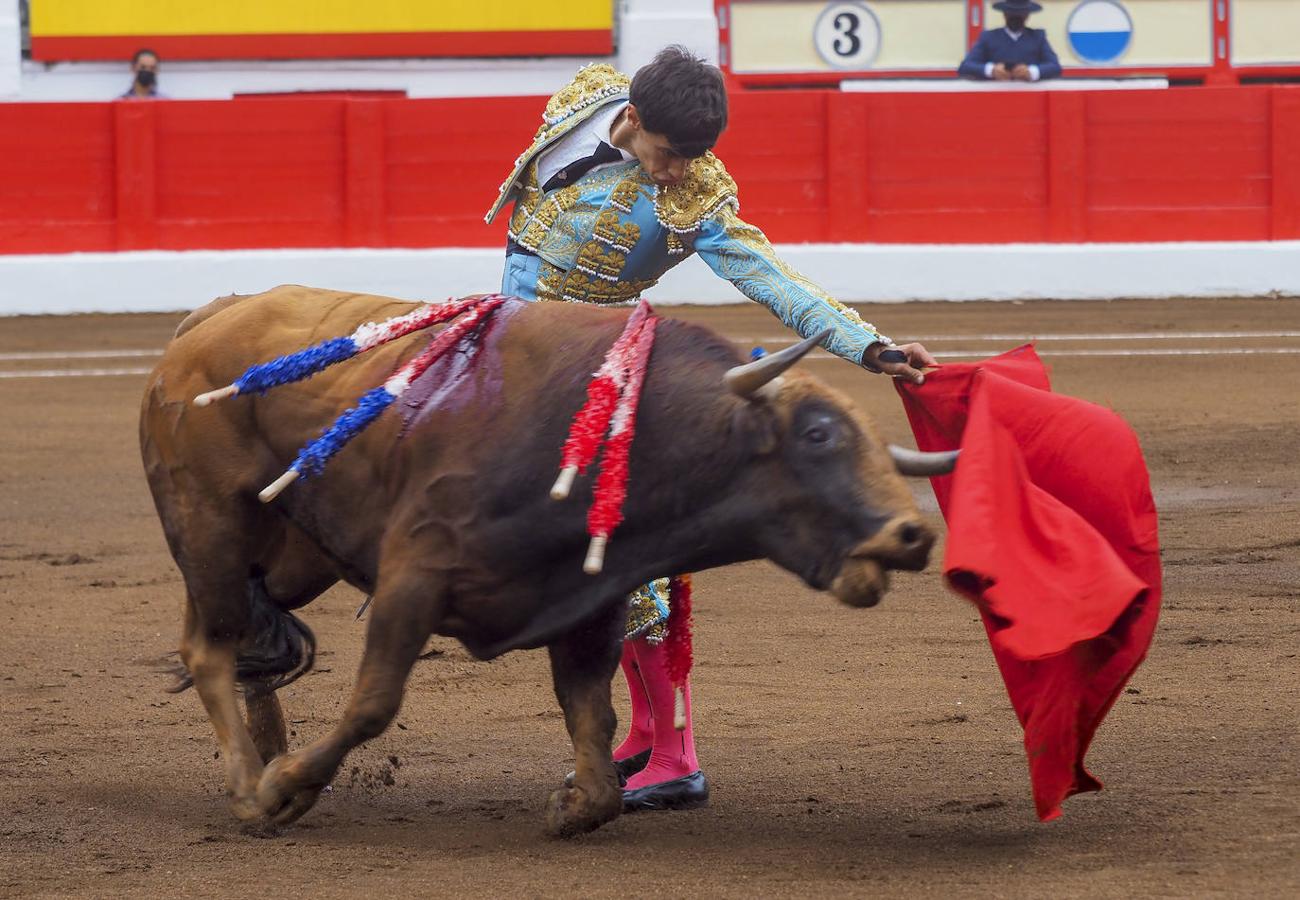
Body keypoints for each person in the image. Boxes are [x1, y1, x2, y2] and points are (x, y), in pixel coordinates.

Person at [485, 46, 936, 812]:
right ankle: (636, 741)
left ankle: (677, 753)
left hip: (601, 374)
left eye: (691, 160)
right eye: (666, 156)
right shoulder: (586, 93)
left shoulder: (696, 195)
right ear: (629, 117)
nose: (675, 174)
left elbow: (770, 276)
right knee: (570, 547)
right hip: (517, 360)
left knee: (625, 554)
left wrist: (868, 345)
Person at [958, 0, 1062, 82]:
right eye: (1012, 13)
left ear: (1027, 15)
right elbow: (965, 66)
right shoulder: (988, 37)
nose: (1016, 16)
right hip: (994, 96)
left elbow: (1055, 66)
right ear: (1005, 14)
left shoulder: (1037, 37)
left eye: (1020, 13)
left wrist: (1032, 71)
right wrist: (992, 70)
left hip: (1029, 96)